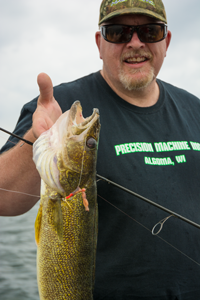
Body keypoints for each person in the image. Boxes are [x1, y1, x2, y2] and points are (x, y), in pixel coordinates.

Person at [1, 0, 200, 299]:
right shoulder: (61, 105)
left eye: (150, 31)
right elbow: (4, 198)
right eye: (118, 32)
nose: (135, 43)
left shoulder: (194, 109)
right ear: (100, 42)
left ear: (166, 41)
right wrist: (37, 136)